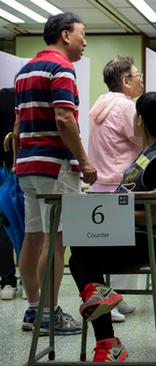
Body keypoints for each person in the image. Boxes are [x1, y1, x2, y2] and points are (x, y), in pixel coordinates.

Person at [68, 91, 156, 366]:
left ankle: (108, 342)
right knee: (82, 254)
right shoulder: (149, 154)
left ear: (140, 121)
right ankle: (106, 328)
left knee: (82, 255)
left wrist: (114, 214)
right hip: (138, 235)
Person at [13, 12, 96, 334]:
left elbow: (19, 125)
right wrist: (84, 161)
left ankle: (33, 309)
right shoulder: (61, 68)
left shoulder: (24, 71)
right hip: (54, 166)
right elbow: (64, 119)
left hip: (28, 166)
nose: (84, 41)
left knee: (32, 236)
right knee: (56, 238)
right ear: (65, 35)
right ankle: (49, 314)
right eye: (82, 33)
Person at [88, 55, 145, 322]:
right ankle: (108, 305)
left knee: (105, 245)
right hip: (118, 183)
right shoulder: (125, 106)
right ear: (125, 81)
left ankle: (114, 297)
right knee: (117, 248)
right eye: (137, 75)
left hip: (102, 183)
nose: (141, 80)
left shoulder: (103, 102)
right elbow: (141, 138)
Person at [0, 87, 18, 300]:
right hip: (11, 170)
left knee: (6, 226)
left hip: (15, 169)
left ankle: (9, 281)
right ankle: (9, 279)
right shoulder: (8, 97)